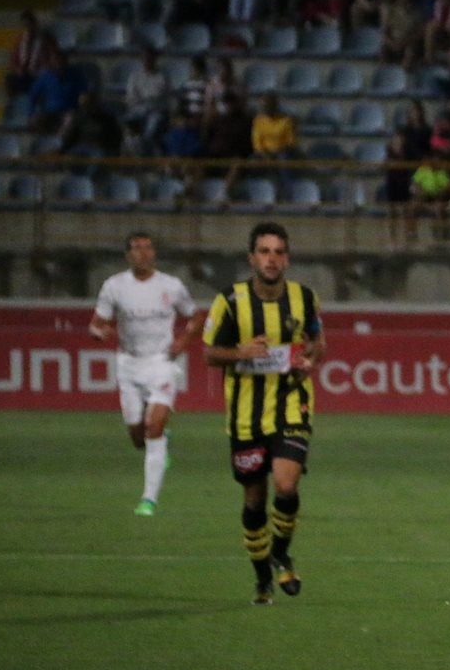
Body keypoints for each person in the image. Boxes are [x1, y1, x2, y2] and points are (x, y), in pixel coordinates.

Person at [201, 221, 325, 605]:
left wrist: (308, 359)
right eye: (265, 251)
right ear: (252, 257)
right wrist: (240, 352)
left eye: (278, 252)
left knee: (287, 484)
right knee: (254, 500)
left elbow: (317, 342)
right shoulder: (230, 301)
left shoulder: (305, 298)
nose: (272, 259)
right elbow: (208, 353)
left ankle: (282, 553)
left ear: (286, 259)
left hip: (291, 403)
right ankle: (261, 579)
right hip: (245, 417)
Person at [88, 232, 201, 516]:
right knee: (139, 437)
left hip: (161, 363)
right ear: (128, 255)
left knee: (154, 428)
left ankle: (148, 500)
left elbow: (196, 316)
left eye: (148, 248)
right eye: (137, 249)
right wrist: (101, 332)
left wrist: (182, 342)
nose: (143, 253)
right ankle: (162, 441)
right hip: (129, 364)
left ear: (154, 253)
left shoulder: (170, 285)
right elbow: (96, 324)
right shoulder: (114, 286)